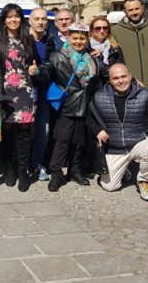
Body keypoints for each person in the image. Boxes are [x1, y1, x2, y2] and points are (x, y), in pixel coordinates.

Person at [37, 24, 107, 192]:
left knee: (80, 141)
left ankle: (75, 171)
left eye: (82, 38)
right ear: (69, 38)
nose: (78, 42)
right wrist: (36, 72)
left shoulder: (93, 58)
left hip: (87, 105)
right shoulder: (58, 56)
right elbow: (46, 71)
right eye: (75, 38)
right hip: (68, 105)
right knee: (62, 141)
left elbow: (108, 72)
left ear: (87, 39)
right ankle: (56, 173)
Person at [87, 64, 148, 201]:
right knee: (109, 186)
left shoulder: (144, 94)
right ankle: (123, 169)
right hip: (115, 147)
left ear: (130, 76)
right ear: (110, 80)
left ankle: (144, 181)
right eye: (116, 78)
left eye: (124, 76)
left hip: (138, 141)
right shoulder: (99, 96)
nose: (121, 81)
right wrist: (98, 131)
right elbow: (89, 119)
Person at [0, 4, 39, 192]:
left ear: (21, 19)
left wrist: (35, 70)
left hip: (25, 91)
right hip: (5, 92)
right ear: (4, 20)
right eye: (9, 16)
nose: (13, 20)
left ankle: (23, 172)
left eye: (16, 16)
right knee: (8, 134)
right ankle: (10, 168)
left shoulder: (28, 40)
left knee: (24, 134)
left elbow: (36, 63)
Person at [112, 0, 148, 97]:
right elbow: (114, 59)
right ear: (125, 11)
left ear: (142, 8)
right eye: (130, 10)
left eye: (137, 8)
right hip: (128, 90)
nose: (134, 12)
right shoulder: (115, 31)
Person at [29, 7, 56, 181]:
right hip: (23, 93)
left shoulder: (50, 40)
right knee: (23, 133)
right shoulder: (22, 38)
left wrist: (38, 72)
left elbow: (51, 65)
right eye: (37, 18)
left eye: (44, 19)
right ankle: (20, 165)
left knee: (43, 132)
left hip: (44, 93)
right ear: (30, 21)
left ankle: (36, 164)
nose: (40, 22)